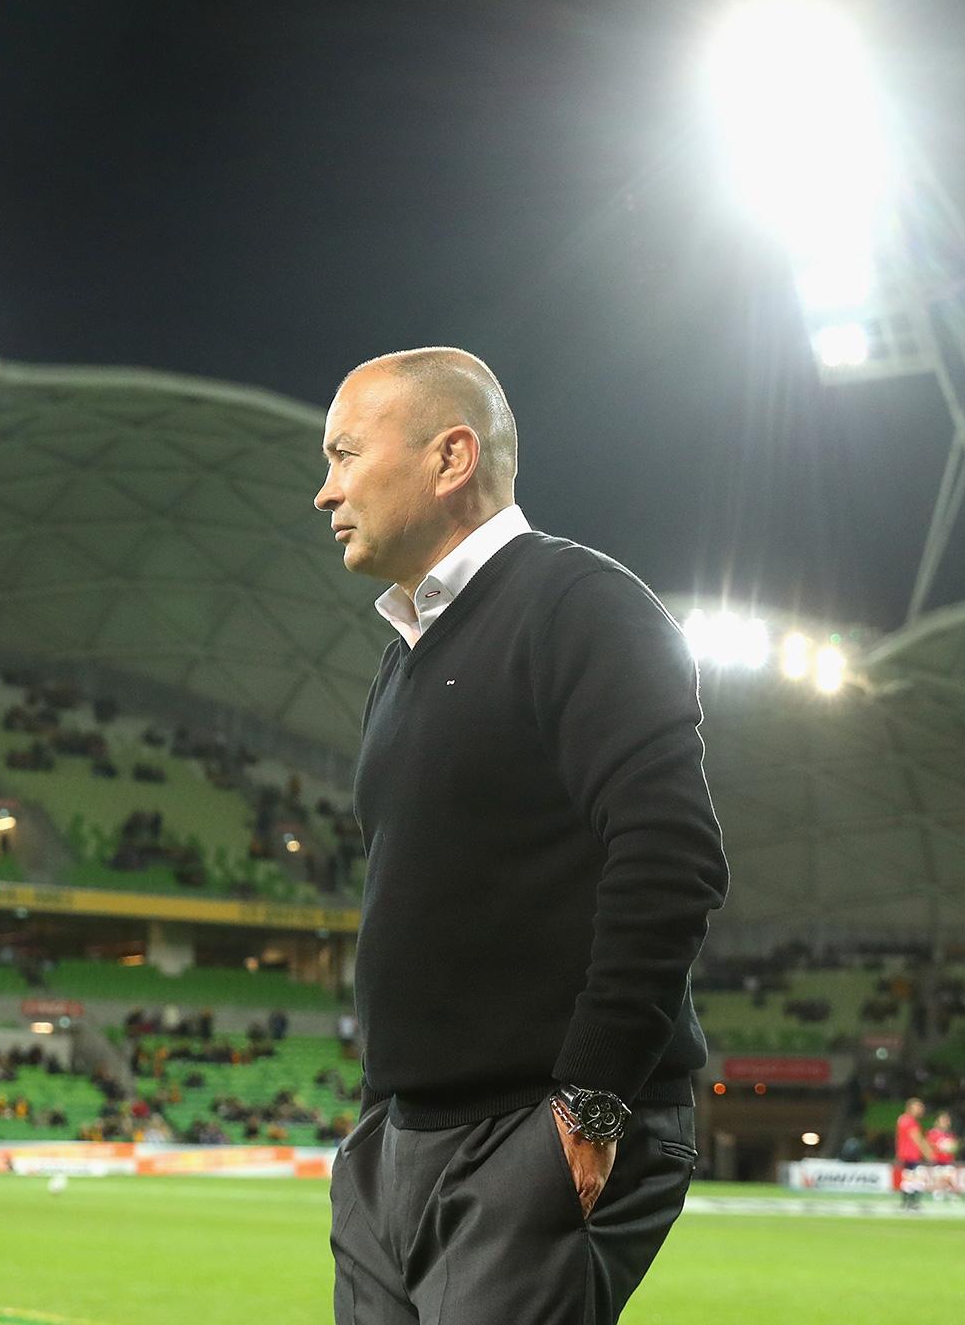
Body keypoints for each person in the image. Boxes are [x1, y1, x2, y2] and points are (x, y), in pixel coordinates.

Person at [314, 348, 729, 1324]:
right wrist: (377, 1124)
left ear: (449, 456)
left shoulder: (581, 606)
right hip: (399, 1131)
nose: (324, 489)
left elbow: (670, 857)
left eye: (343, 454)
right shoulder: (400, 660)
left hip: (536, 1119)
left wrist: (592, 1099)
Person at [896, 1097, 934, 1209]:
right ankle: (913, 1202)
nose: (920, 1110)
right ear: (909, 1108)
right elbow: (917, 1138)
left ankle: (906, 1202)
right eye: (918, 1107)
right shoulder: (910, 1121)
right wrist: (928, 1152)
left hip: (905, 1154)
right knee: (918, 1177)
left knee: (909, 1177)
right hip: (911, 1154)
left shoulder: (902, 1119)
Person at [928, 1109, 960, 1199]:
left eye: (947, 1120)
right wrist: (940, 1148)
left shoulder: (950, 1134)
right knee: (939, 1180)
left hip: (948, 1161)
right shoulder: (933, 1133)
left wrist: (951, 1148)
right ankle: (940, 1192)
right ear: (938, 1121)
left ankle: (950, 1192)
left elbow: (955, 1148)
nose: (945, 1122)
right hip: (937, 1161)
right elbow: (930, 1145)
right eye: (943, 1120)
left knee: (949, 1178)